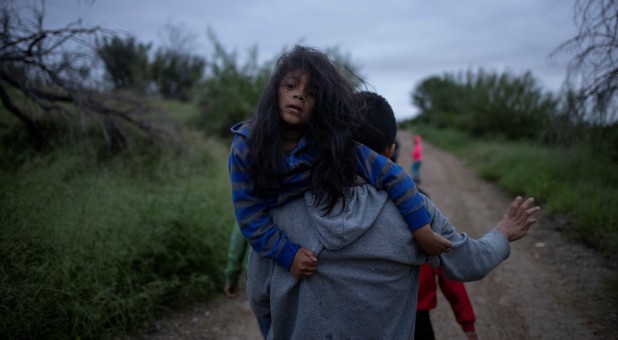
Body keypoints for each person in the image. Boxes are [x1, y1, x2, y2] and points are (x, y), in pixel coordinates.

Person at [247, 91, 540, 339]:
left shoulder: (278, 208)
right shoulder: (415, 212)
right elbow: (469, 263)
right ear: (389, 152)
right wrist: (502, 233)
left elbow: (261, 297)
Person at [228, 46, 451, 280]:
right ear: (275, 91)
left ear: (322, 104)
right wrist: (287, 254)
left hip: (315, 235)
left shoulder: (329, 143)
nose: (299, 95)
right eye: (291, 86)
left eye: (311, 93)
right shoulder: (246, 145)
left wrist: (422, 230)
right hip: (269, 239)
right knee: (265, 296)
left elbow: (392, 174)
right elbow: (248, 214)